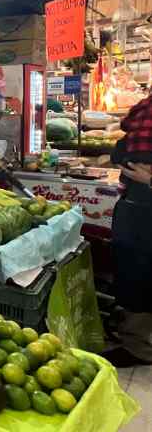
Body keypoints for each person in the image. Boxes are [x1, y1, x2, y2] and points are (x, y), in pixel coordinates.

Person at [105, 91, 152, 367]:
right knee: (131, 269)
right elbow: (119, 150)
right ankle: (131, 331)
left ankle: (139, 347)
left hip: (145, 209)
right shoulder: (143, 113)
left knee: (142, 275)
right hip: (134, 205)